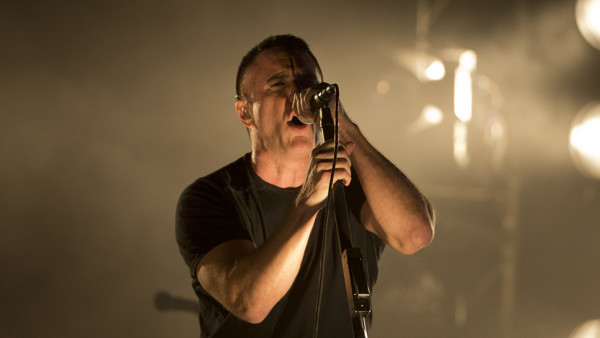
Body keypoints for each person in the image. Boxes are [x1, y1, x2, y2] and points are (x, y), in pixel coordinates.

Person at [176, 34, 436, 338]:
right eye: (277, 84)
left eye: (308, 83)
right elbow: (249, 302)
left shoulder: (354, 184)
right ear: (246, 112)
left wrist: (345, 125)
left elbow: (415, 234)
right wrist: (309, 200)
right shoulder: (211, 197)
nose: (298, 95)